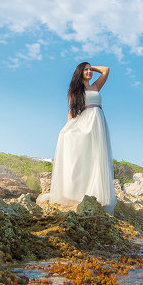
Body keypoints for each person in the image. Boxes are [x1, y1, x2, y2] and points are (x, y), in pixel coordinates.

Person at [47, 62, 116, 212]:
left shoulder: (96, 86)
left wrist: (91, 66)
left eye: (90, 69)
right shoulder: (75, 90)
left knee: (97, 157)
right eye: (86, 69)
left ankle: (97, 194)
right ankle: (75, 191)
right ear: (80, 72)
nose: (90, 71)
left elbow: (106, 70)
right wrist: (67, 127)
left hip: (98, 122)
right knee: (82, 156)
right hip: (85, 123)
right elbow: (72, 112)